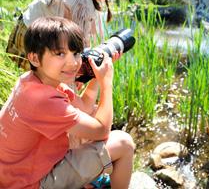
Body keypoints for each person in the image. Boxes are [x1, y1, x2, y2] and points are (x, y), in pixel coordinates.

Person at [0, 16, 135, 189]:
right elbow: (101, 131)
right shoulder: (43, 101)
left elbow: (85, 108)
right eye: (60, 54)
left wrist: (95, 77)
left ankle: (89, 177)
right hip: (30, 184)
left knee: (93, 112)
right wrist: (106, 84)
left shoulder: (32, 81)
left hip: (13, 175)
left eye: (76, 53)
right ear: (34, 58)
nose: (73, 63)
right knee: (123, 143)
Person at [6, 0, 137, 69]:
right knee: (47, 81)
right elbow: (77, 41)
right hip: (31, 37)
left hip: (28, 26)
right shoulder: (80, 2)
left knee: (46, 82)